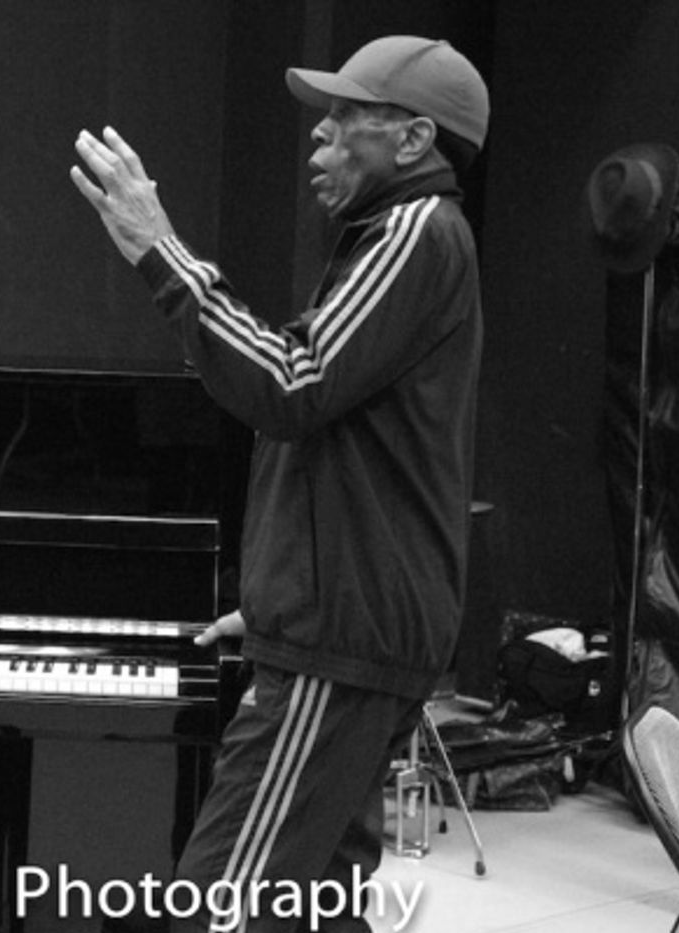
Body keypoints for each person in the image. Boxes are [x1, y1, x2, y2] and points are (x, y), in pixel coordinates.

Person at [71, 35, 488, 932]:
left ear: (413, 141)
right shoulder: (403, 236)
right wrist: (275, 602)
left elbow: (289, 385)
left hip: (341, 639)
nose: (319, 139)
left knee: (220, 908)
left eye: (345, 121)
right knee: (316, 907)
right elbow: (334, 435)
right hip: (344, 624)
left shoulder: (415, 231)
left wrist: (164, 253)